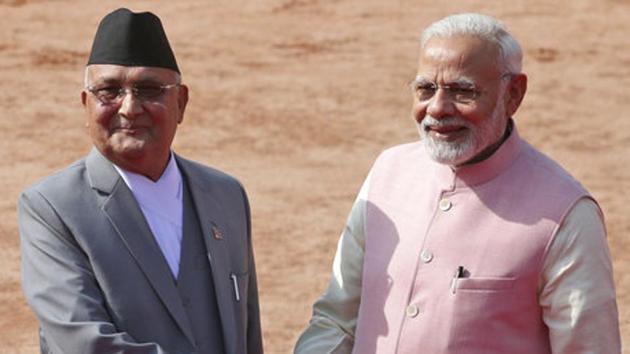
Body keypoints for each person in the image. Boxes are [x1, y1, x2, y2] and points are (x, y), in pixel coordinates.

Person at [294, 13, 620, 354]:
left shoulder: (566, 214)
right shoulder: (388, 172)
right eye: (425, 89)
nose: (437, 108)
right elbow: (337, 320)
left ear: (513, 95)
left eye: (463, 91)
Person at [19, 8, 263, 354]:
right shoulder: (53, 208)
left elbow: (247, 336)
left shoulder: (226, 195)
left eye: (149, 89)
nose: (129, 108)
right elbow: (82, 342)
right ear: (86, 104)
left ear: (181, 102)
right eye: (109, 90)